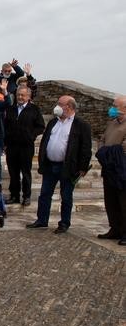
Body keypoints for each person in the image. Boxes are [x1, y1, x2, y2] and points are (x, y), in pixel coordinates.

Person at [27, 96, 92, 234]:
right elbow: (45, 141)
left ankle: (64, 223)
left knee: (66, 196)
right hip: (50, 165)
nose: (56, 106)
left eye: (60, 104)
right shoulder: (53, 122)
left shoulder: (81, 125)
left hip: (68, 166)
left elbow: (86, 147)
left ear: (69, 106)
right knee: (44, 194)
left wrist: (83, 167)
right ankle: (41, 220)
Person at [3, 86, 45, 205]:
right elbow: (6, 126)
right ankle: (14, 195)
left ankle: (26, 195)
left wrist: (31, 136)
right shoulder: (11, 109)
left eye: (22, 95)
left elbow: (40, 126)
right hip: (12, 146)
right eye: (18, 95)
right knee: (13, 172)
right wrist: (6, 141)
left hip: (26, 146)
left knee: (25, 171)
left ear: (28, 96)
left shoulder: (34, 109)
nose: (20, 97)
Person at [95, 95, 126, 245]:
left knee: (123, 201)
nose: (112, 108)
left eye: (115, 106)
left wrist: (107, 152)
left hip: (122, 170)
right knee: (111, 200)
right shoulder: (112, 123)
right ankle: (115, 228)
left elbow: (124, 148)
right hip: (109, 169)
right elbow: (102, 140)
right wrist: (102, 152)